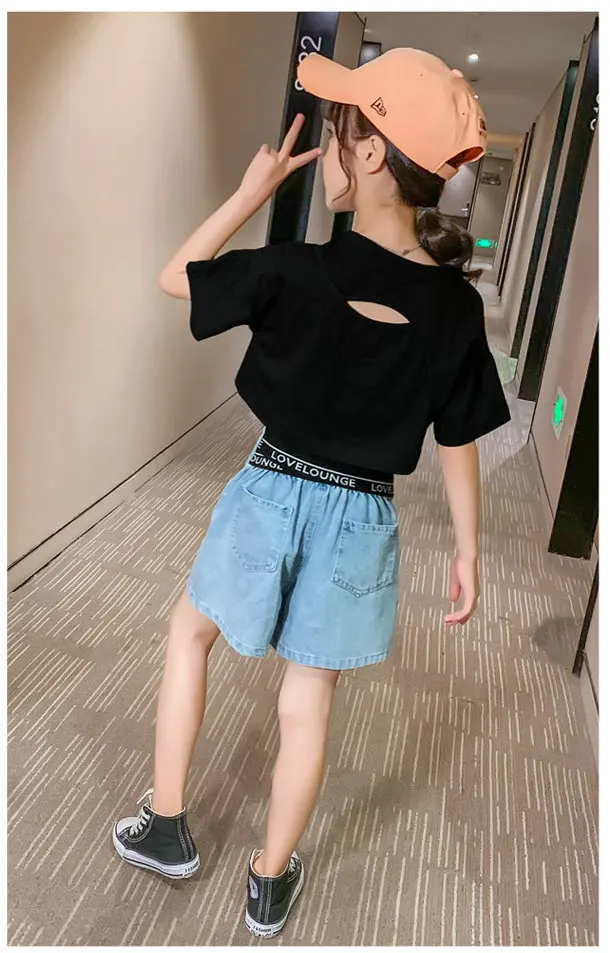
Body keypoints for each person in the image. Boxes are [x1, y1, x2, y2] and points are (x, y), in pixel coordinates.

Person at [112, 47, 510, 938]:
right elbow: (459, 435)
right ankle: (268, 877)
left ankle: (166, 825)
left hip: (270, 488)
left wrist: (250, 195)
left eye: (337, 134)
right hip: (363, 514)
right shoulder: (454, 309)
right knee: (307, 699)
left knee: (189, 634)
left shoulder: (292, 269)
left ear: (369, 154)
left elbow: (176, 277)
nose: (329, 149)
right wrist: (468, 547)